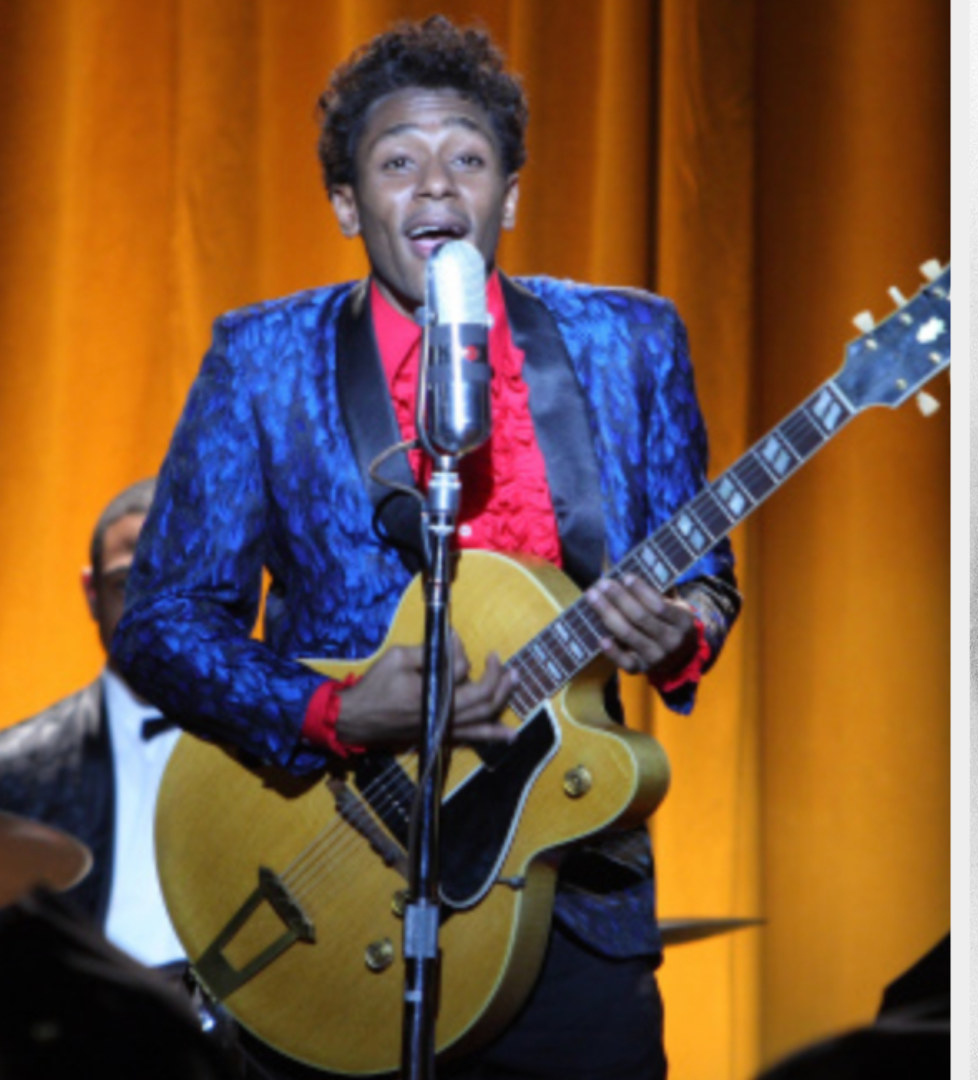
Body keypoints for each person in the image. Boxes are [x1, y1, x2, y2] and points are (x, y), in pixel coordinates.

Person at [111, 17, 737, 1079]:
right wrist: (333, 711)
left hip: (567, 890)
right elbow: (164, 621)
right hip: (331, 881)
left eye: (469, 159)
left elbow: (703, 580)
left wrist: (679, 633)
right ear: (350, 204)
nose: (437, 185)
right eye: (398, 161)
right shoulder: (261, 358)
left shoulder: (630, 340)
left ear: (511, 194)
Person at [0, 478, 188, 970]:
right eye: (127, 585)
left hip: (233, 1043)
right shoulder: (13, 771)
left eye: (171, 581)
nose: (149, 612)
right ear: (90, 592)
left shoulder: (279, 757)